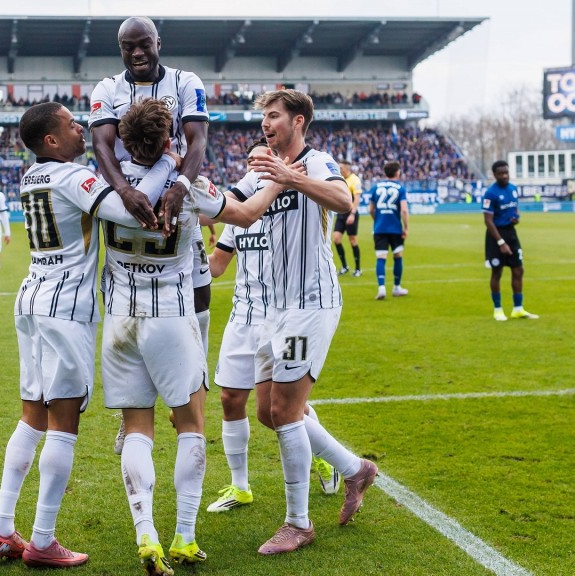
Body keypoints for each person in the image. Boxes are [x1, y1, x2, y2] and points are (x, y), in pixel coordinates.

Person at [100, 99, 283, 575]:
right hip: (171, 316)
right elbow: (244, 216)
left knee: (138, 428)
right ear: (168, 141)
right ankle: (183, 536)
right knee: (190, 426)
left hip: (119, 319)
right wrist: (276, 182)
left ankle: (146, 535)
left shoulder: (106, 184)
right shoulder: (190, 188)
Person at [0, 102, 145, 568]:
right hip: (65, 307)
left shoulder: (31, 176)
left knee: (31, 418)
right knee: (63, 424)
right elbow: (130, 213)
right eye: (72, 124)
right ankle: (42, 540)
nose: (82, 128)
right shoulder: (73, 177)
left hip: (31, 298)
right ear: (51, 141)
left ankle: (3, 530)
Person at [244, 89, 379, 555]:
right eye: (263, 117)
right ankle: (354, 468)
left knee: (285, 411)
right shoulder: (264, 168)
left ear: (298, 121)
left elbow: (343, 199)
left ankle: (298, 523)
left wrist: (291, 177)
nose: (266, 124)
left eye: (274, 116)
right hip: (274, 307)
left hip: (310, 303)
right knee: (268, 411)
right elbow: (235, 207)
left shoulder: (316, 161)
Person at [89, 16, 213, 456]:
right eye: (128, 47)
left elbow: (197, 141)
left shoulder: (185, 82)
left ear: (159, 42)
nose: (137, 54)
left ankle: (192, 376)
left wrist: (180, 187)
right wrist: (123, 190)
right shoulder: (106, 89)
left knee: (198, 293)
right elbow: (102, 146)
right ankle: (135, 413)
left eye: (143, 45)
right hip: (126, 198)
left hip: (176, 195)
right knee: (124, 283)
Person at [206, 140, 340, 516]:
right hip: (245, 314)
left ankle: (324, 457)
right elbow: (217, 266)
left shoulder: (295, 204)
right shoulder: (241, 211)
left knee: (277, 411)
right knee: (231, 399)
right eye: (252, 158)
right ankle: (240, 486)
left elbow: (338, 200)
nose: (257, 162)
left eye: (264, 156)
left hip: (285, 314)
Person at [482, 160, 538, 321]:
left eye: (506, 172)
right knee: (497, 272)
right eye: (501, 173)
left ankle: (518, 309)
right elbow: (488, 220)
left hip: (511, 233)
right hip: (495, 236)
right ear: (495, 175)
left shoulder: (513, 189)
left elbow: (515, 209)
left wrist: (516, 218)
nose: (505, 176)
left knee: (518, 270)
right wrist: (501, 242)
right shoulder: (490, 193)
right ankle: (498, 310)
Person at [370, 161, 409, 299]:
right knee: (397, 256)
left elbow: (371, 209)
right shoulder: (400, 188)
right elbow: (404, 210)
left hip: (379, 228)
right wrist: (406, 227)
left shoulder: (375, 187)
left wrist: (378, 220)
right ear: (397, 172)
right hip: (395, 228)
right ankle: (397, 288)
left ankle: (381, 288)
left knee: (381, 257)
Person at [332, 160, 363, 276]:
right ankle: (345, 266)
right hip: (341, 213)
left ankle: (358, 269)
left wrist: (353, 214)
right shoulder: (340, 179)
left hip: (351, 213)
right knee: (336, 239)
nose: (339, 170)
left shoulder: (355, 180)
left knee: (353, 241)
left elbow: (357, 198)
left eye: (341, 168)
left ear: (346, 169)